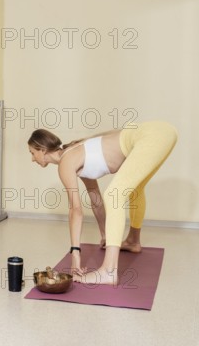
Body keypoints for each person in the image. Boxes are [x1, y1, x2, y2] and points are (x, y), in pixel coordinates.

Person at [27, 121, 177, 285]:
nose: (32, 159)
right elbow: (95, 200)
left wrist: (75, 254)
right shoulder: (75, 155)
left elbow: (75, 210)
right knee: (135, 188)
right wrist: (106, 235)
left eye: (33, 153)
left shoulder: (65, 163)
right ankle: (133, 241)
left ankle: (108, 272)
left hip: (151, 136)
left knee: (114, 194)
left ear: (42, 150)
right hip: (163, 131)